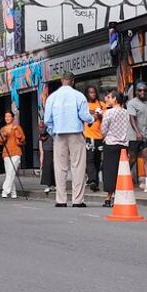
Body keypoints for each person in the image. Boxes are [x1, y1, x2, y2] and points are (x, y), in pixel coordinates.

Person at [44, 72, 94, 207]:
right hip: (76, 134)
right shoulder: (79, 96)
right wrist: (92, 118)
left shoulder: (52, 97)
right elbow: (84, 115)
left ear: (61, 80)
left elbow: (47, 120)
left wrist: (53, 133)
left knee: (60, 167)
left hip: (59, 134)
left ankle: (61, 200)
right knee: (78, 167)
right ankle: (77, 200)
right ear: (73, 81)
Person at [99, 89, 130, 208]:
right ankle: (119, 197)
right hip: (123, 145)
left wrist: (104, 136)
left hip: (111, 143)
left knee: (110, 171)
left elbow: (103, 129)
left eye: (110, 97)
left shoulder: (109, 113)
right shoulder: (126, 112)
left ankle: (108, 198)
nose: (108, 99)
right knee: (120, 171)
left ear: (115, 99)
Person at [126, 82, 147, 192]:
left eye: (144, 90)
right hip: (134, 136)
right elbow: (132, 118)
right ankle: (124, 179)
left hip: (145, 135)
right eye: (140, 90)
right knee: (132, 159)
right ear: (136, 92)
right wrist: (137, 132)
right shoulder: (132, 103)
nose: (142, 92)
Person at [0, 110, 26, 199]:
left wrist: (16, 132)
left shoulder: (17, 127)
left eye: (9, 116)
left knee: (11, 172)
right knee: (9, 173)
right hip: (6, 153)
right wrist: (4, 135)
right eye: (6, 116)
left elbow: (22, 139)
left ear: (12, 118)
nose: (7, 118)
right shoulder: (3, 129)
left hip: (16, 152)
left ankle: (5, 191)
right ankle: (13, 192)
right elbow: (0, 142)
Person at [83, 85, 105, 193]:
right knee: (90, 159)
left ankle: (95, 182)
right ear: (87, 94)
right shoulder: (85, 105)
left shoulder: (101, 104)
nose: (93, 94)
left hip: (99, 136)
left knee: (97, 160)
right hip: (89, 135)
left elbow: (105, 118)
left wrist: (100, 115)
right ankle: (92, 180)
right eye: (90, 92)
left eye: (94, 92)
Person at [38, 121, 55, 194]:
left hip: (52, 146)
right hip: (47, 148)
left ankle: (53, 184)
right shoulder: (41, 135)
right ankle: (49, 185)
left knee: (52, 166)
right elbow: (40, 143)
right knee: (48, 167)